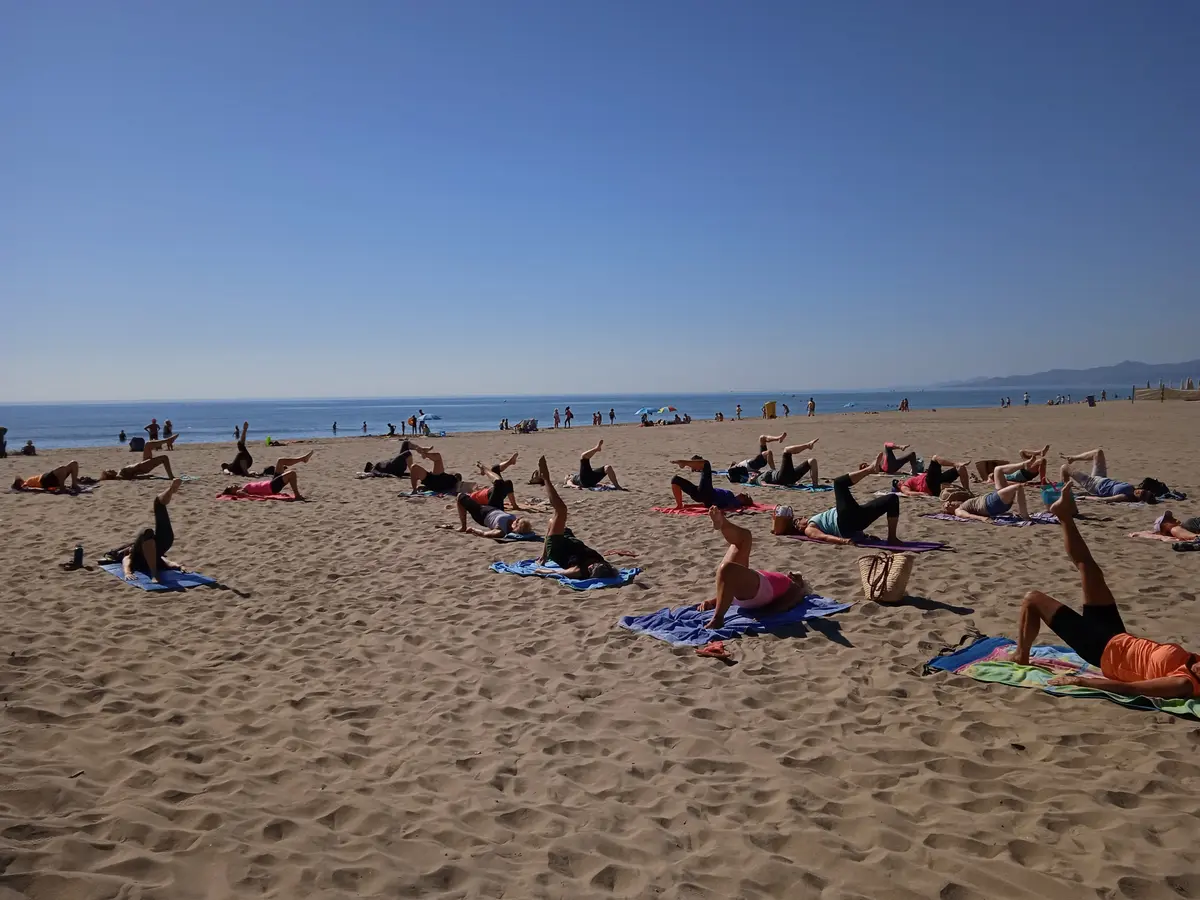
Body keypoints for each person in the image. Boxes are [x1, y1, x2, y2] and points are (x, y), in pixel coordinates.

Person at [1012, 483, 1199, 699]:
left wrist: (1081, 680)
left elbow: (1133, 689)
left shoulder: (1184, 683)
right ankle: (1064, 515)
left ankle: (1021, 656)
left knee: (1032, 599)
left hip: (1100, 649)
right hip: (1117, 635)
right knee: (1089, 568)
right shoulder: (1196, 662)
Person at [697, 506, 810, 630]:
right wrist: (712, 602)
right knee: (744, 538)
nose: (790, 573)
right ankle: (722, 523)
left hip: (761, 590)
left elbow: (789, 601)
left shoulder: (794, 587)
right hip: (755, 587)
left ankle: (717, 619)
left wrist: (767, 613)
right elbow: (728, 589)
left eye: (797, 576)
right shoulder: (784, 581)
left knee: (727, 569)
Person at [534, 455, 618, 579]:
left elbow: (556, 573)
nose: (591, 565)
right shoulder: (603, 565)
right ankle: (543, 556)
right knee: (552, 521)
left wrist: (541, 571)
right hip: (569, 541)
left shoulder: (579, 571)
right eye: (594, 565)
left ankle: (546, 478)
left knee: (561, 511)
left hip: (557, 547)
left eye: (591, 568)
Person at [774, 462, 901, 545]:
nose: (801, 518)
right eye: (797, 521)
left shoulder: (812, 522)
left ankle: (892, 538)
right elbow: (824, 538)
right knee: (839, 484)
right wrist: (844, 541)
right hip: (844, 522)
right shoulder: (809, 529)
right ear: (799, 528)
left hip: (855, 519)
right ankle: (869, 470)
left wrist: (865, 537)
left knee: (892, 499)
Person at [107, 479, 186, 583]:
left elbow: (126, 560)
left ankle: (171, 490)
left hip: (153, 543)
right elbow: (167, 562)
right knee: (158, 507)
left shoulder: (134, 554)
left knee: (155, 513)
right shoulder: (149, 558)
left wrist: (127, 572)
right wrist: (179, 566)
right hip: (163, 543)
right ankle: (154, 574)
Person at [1060, 448, 1155, 504]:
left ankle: (1063, 493)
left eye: (1141, 495)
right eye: (1143, 491)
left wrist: (1085, 498)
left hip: (1093, 485)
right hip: (1102, 478)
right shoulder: (1132, 489)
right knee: (1098, 452)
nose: (1140, 491)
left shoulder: (1125, 496)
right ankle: (1072, 458)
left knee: (1064, 468)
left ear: (1139, 500)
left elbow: (1103, 500)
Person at [444, 486, 533, 539]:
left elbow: (484, 534)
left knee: (460, 496)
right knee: (500, 485)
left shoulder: (501, 531)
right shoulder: (513, 521)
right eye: (519, 519)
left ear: (515, 528)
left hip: (481, 514)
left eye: (517, 522)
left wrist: (473, 530)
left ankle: (463, 526)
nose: (517, 519)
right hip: (494, 508)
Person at [943, 468, 1031, 521]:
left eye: (950, 502)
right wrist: (983, 518)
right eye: (948, 506)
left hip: (993, 500)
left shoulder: (962, 504)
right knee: (1018, 486)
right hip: (991, 504)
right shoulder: (958, 511)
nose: (951, 503)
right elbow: (969, 516)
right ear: (950, 512)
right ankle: (1025, 516)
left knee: (998, 470)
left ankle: (1025, 465)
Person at [669, 458, 755, 510]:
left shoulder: (734, 502)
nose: (742, 494)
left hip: (707, 494)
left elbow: (725, 506)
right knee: (675, 480)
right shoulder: (731, 499)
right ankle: (679, 505)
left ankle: (684, 463)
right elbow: (708, 504)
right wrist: (690, 505)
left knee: (706, 464)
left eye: (744, 496)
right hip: (701, 496)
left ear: (743, 501)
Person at [897, 455, 970, 497]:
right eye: (897, 482)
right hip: (929, 484)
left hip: (936, 482)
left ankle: (967, 492)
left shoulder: (910, 481)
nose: (900, 480)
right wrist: (921, 493)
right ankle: (955, 464)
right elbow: (908, 493)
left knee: (960, 469)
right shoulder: (904, 486)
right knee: (935, 458)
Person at [974, 447, 1049, 484]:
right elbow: (1006, 482)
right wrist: (1021, 484)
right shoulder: (992, 477)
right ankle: (1043, 481)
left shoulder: (998, 474)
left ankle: (1039, 452)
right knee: (1042, 461)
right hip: (1020, 475)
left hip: (1019, 472)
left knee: (1021, 452)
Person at [221, 467, 305, 500]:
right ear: (232, 492)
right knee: (292, 473)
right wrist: (261, 497)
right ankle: (297, 495)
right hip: (271, 487)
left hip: (271, 483)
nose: (234, 485)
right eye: (232, 486)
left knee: (280, 461)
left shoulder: (244, 488)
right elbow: (249, 496)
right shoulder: (239, 491)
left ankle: (303, 458)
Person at [12, 461, 82, 492]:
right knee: (62, 468)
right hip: (43, 481)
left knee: (74, 463)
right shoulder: (26, 484)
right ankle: (62, 487)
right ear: (19, 483)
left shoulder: (27, 481)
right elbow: (25, 488)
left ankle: (74, 484)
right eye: (19, 480)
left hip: (46, 477)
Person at [100, 455, 175, 481]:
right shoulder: (119, 475)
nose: (112, 469)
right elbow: (132, 477)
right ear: (110, 474)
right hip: (142, 467)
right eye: (110, 470)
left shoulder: (120, 473)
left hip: (141, 465)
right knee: (164, 458)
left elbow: (133, 476)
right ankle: (171, 476)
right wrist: (146, 476)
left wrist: (146, 476)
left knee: (148, 445)